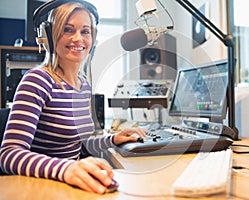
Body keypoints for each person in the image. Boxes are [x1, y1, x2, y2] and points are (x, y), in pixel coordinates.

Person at [0, 1, 146, 195]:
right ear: (51, 37)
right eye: (67, 30)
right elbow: (9, 155)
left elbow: (78, 145)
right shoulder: (37, 81)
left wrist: (113, 139)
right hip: (44, 189)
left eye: (85, 31)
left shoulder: (83, 85)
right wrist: (66, 168)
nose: (78, 38)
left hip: (71, 187)